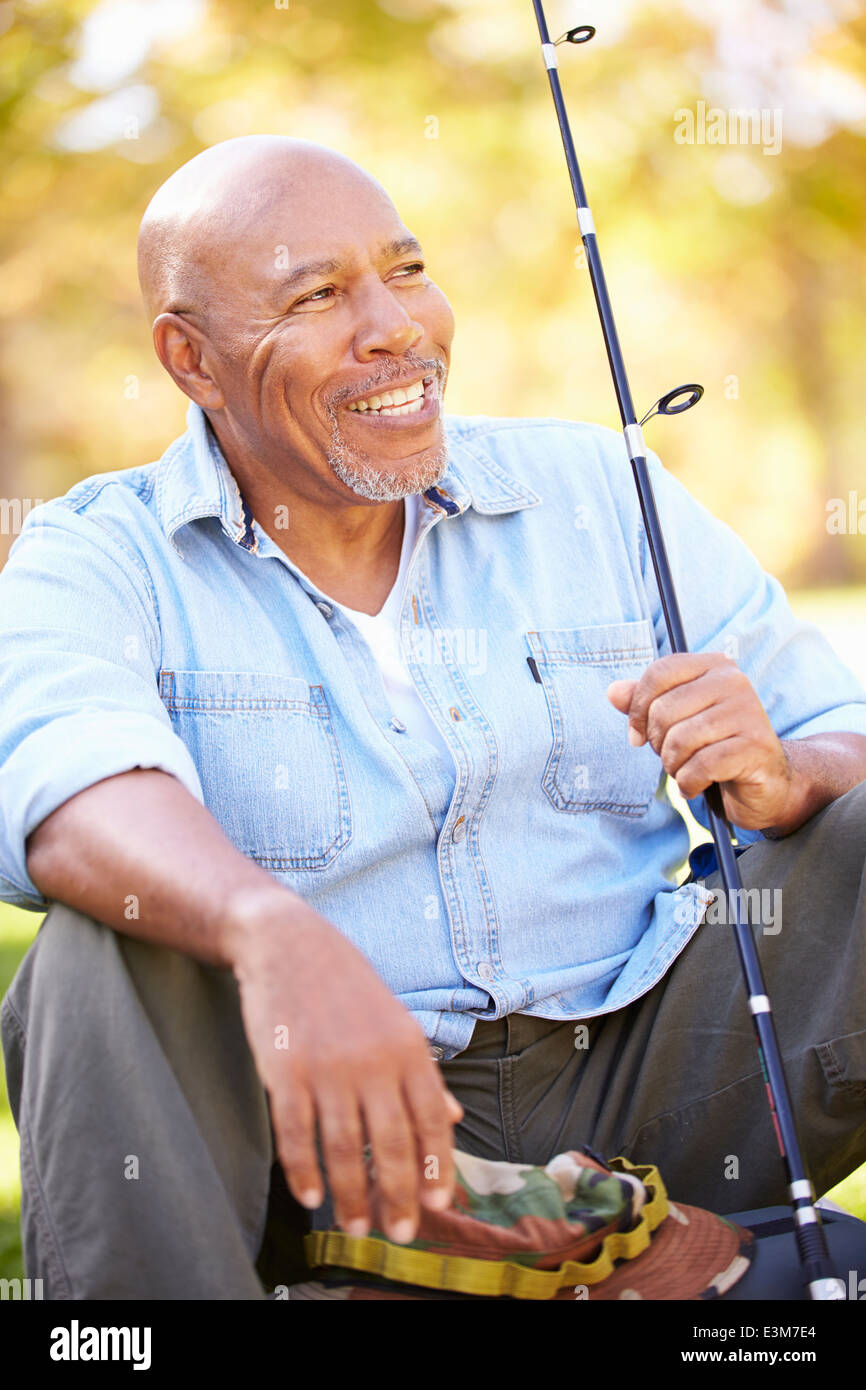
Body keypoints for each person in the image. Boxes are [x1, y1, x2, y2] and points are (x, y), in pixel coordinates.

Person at [1, 135, 865, 1301]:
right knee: (99, 943)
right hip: (323, 1135)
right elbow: (62, 782)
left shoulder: (596, 490)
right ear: (190, 358)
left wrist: (787, 765)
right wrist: (273, 930)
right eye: (317, 294)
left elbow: (841, 718)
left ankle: (565, 1229)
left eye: (404, 271)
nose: (394, 326)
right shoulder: (101, 552)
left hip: (655, 1073)